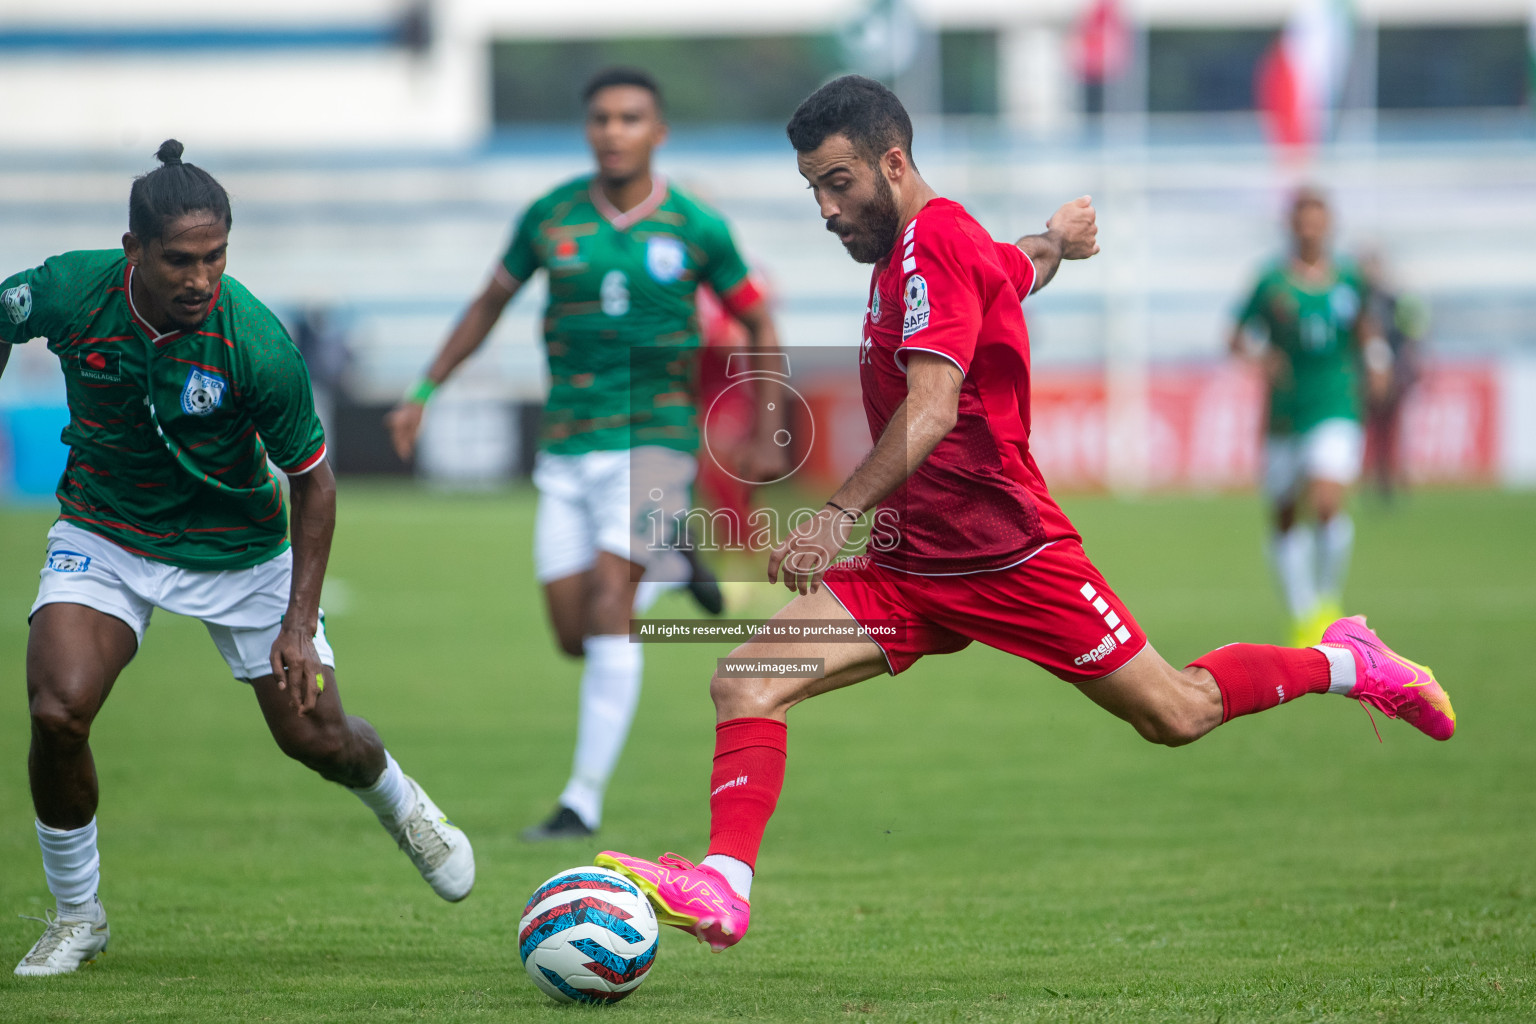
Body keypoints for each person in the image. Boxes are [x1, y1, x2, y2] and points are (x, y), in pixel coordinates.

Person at [592, 76, 1455, 953]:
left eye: (839, 182)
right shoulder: (926, 247)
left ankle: (1347, 662)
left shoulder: (932, 244)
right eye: (812, 186)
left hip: (1008, 555)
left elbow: (931, 407)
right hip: (914, 566)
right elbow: (1012, 268)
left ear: (894, 163)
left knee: (1177, 713)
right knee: (744, 679)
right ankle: (723, 888)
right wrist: (1056, 239)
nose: (824, 206)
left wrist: (835, 514)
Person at [2, 141, 474, 977]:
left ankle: (399, 801)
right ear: (132, 252)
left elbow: (315, 485)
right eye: (179, 259)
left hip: (242, 552)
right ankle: (78, 914)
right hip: (105, 534)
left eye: (215, 256)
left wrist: (298, 623)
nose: (199, 278)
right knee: (56, 710)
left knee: (318, 738)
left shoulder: (254, 340)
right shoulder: (72, 289)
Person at [386, 68, 787, 842]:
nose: (613, 130)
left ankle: (581, 801)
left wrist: (770, 428)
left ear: (657, 132)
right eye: (601, 117)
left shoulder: (696, 227)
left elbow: (760, 325)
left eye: (630, 117)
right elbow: (489, 302)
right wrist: (425, 389)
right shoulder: (550, 216)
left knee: (608, 612)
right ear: (587, 129)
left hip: (657, 441)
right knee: (574, 634)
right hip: (569, 446)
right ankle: (672, 571)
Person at [1228, 188, 1388, 645]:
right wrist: (1260, 360)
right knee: (1283, 514)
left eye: (1318, 221)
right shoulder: (1271, 282)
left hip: (1337, 402)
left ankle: (1328, 603)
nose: (1310, 229)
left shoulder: (1349, 279)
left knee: (1326, 500)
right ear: (1291, 226)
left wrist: (1376, 362)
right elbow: (1236, 336)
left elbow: (1365, 327)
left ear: (1329, 225)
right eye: (1303, 221)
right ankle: (1301, 613)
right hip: (1284, 412)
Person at [1357, 250, 1426, 501]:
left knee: (1390, 430)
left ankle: (1389, 480)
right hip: (1363, 375)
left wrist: (1408, 366)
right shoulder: (1356, 301)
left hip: (1393, 374)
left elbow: (1409, 336)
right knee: (1365, 430)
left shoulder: (1391, 301)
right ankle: (1364, 479)